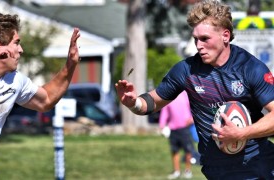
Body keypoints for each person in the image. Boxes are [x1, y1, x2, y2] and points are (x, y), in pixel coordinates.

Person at [115, 0, 274, 179]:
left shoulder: (250, 68)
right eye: (195, 39)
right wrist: (133, 102)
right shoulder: (187, 70)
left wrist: (240, 133)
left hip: (256, 168)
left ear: (225, 36)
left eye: (205, 39)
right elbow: (151, 102)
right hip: (216, 171)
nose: (198, 45)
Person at [0, 11, 80, 179]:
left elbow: (46, 100)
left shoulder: (15, 80)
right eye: (17, 43)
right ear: (0, 46)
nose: (21, 50)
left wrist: (70, 64)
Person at [159, 91, 195, 179]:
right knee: (174, 151)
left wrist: (192, 118)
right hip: (173, 128)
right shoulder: (169, 96)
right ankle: (176, 171)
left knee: (188, 150)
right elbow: (165, 111)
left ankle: (187, 171)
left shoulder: (185, 94)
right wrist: (162, 124)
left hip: (184, 127)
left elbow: (193, 107)